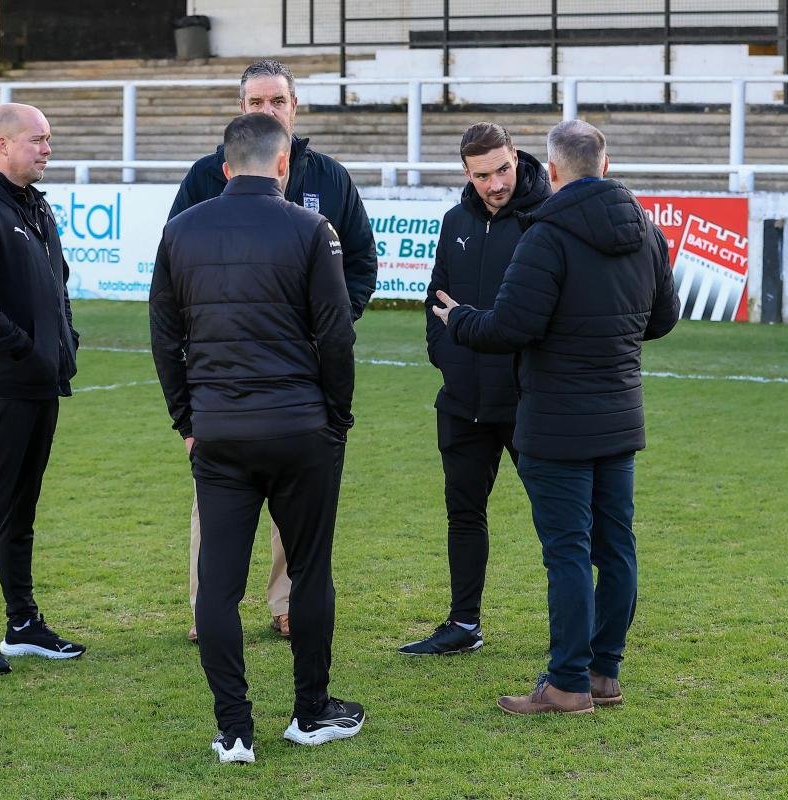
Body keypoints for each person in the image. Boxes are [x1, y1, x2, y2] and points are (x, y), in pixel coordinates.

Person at [432, 119, 679, 714]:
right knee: (615, 546)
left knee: (568, 550)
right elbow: (663, 318)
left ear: (555, 169)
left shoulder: (545, 234)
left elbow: (511, 326)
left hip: (556, 418)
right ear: (607, 162)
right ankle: (603, 675)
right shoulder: (645, 229)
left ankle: (567, 682)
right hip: (620, 414)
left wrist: (458, 319)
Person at [151, 113, 364, 763]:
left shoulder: (180, 231)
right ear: (282, 166)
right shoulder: (310, 228)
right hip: (302, 430)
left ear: (224, 168)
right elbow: (336, 335)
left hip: (220, 435)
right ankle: (309, 712)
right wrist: (337, 418)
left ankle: (234, 729)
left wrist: (187, 422)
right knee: (310, 574)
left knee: (218, 584)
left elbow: (164, 339)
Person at [170, 58, 377, 643]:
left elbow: (360, 261)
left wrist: (335, 320)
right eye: (255, 103)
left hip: (300, 374)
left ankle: (288, 604)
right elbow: (174, 268)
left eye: (275, 101)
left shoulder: (329, 178)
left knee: (297, 498)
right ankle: (206, 606)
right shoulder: (205, 177)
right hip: (222, 372)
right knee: (211, 500)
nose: (266, 111)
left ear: (295, 107)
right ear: (241, 110)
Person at [399, 123, 550, 657]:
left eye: (503, 169)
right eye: (482, 174)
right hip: (463, 402)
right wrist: (448, 362)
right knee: (463, 513)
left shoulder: (545, 219)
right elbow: (436, 300)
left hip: (528, 402)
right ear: (466, 172)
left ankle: (581, 626)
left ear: (517, 158)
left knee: (557, 518)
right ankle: (464, 624)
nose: (495, 184)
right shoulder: (455, 222)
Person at [0, 102, 85, 677]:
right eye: (38, 139)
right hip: (1, 387)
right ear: (2, 145)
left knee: (22, 510)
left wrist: (65, 343)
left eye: (49, 138)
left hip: (41, 386)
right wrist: (25, 350)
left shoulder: (36, 208)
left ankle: (22, 623)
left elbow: (59, 286)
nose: (47, 148)